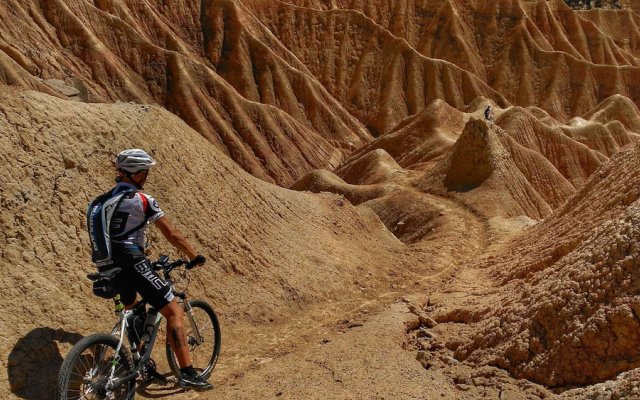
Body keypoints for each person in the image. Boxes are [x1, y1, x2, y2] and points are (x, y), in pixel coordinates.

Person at [86, 149, 213, 390]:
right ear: (138, 173)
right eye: (146, 172)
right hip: (132, 262)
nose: (147, 177)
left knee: (134, 308)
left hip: (107, 265)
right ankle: (187, 373)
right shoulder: (142, 199)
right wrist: (194, 256)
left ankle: (139, 363)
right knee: (174, 310)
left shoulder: (101, 202)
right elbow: (172, 234)